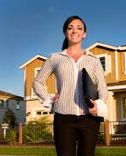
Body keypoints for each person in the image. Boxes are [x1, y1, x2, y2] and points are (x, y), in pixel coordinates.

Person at [33, 15, 108, 156]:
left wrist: (99, 106)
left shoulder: (94, 60)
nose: (75, 31)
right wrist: (49, 100)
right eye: (70, 28)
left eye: (79, 28)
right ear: (65, 32)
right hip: (63, 119)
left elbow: (102, 88)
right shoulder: (55, 58)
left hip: (89, 119)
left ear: (84, 34)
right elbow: (37, 82)